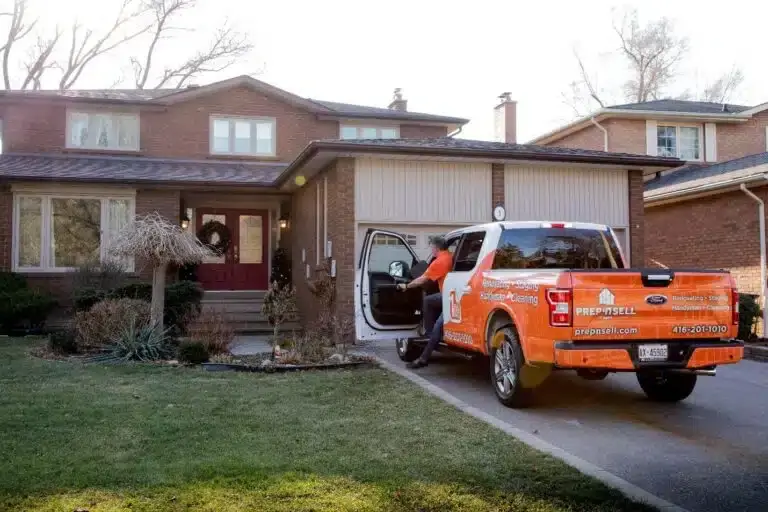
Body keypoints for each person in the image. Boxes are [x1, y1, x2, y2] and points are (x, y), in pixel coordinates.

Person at [396, 236, 453, 369]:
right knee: (429, 301)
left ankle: (425, 352)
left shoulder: (439, 262)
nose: (431, 250)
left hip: (449, 298)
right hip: (451, 294)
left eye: (432, 247)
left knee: (437, 327)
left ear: (436, 248)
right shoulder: (451, 256)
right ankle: (429, 336)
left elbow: (422, 279)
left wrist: (407, 286)